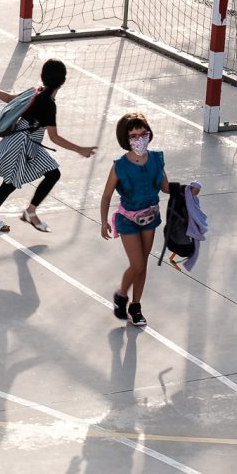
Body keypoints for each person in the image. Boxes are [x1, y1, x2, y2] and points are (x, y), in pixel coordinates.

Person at [0, 59, 97, 230]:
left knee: (53, 173)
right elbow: (54, 138)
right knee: (10, 183)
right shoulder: (48, 105)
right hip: (19, 145)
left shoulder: (35, 91)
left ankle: (30, 211)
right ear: (62, 82)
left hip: (28, 144)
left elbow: (9, 99)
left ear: (43, 77)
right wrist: (80, 149)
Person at [97, 114, 177, 327]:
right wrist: (103, 221)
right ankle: (121, 295)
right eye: (133, 135)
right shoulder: (119, 166)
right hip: (128, 220)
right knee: (137, 263)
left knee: (143, 266)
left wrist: (187, 190)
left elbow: (166, 187)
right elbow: (106, 195)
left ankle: (135, 306)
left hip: (150, 217)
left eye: (143, 134)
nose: (139, 139)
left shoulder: (157, 159)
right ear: (126, 139)